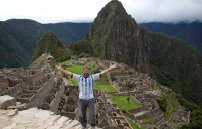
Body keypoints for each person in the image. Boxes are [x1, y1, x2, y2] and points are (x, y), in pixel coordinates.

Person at [55, 62, 117, 129]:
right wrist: (61, 69)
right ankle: (84, 126)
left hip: (90, 99)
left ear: (89, 72)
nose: (86, 73)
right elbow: (69, 73)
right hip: (82, 99)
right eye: (85, 71)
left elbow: (102, 73)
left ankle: (93, 126)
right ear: (83, 71)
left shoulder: (92, 77)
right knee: (83, 114)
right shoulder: (79, 77)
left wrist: (110, 68)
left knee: (92, 114)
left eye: (88, 72)